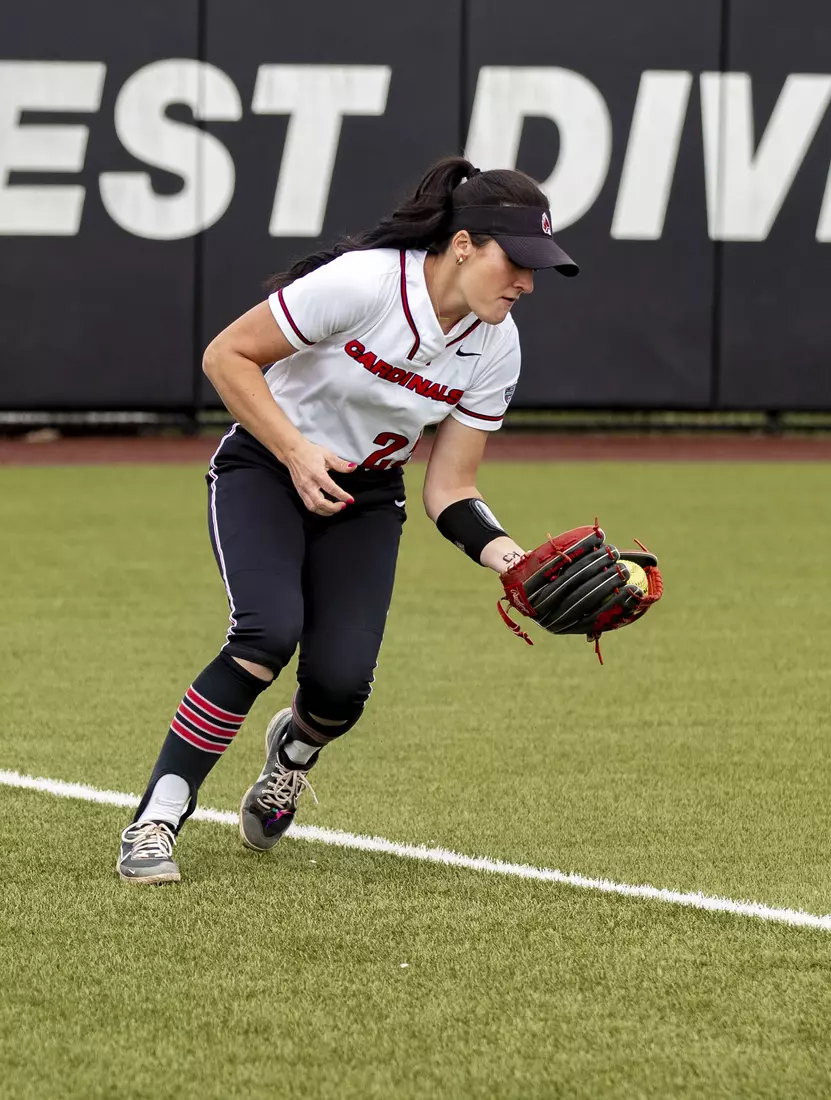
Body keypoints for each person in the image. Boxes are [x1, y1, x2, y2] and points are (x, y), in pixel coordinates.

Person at [117, 156, 578, 884]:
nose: (526, 281)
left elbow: (452, 486)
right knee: (267, 633)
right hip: (266, 468)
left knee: (339, 688)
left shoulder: (497, 345)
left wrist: (507, 556)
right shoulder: (365, 282)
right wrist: (296, 451)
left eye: (537, 268)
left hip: (365, 497)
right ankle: (157, 817)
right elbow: (227, 356)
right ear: (463, 244)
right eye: (515, 261)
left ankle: (291, 754)